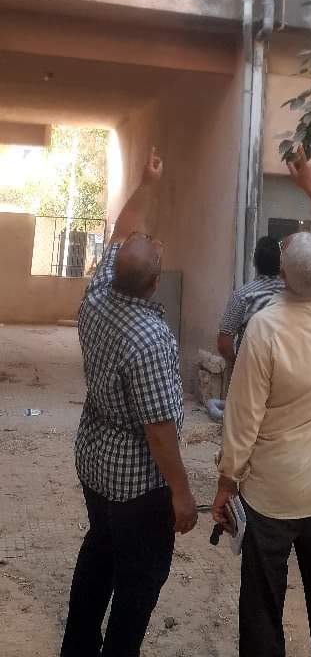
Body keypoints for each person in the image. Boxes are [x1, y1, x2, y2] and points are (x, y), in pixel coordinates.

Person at [212, 146, 311, 657]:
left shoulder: (266, 328)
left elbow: (243, 418)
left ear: (283, 277)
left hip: (273, 498)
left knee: (262, 608)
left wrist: (226, 482)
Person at [61, 148, 197, 657]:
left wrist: (146, 183)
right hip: (137, 483)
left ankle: (77, 647)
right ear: (155, 283)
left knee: (99, 551)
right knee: (139, 579)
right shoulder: (150, 339)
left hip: (95, 462)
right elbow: (158, 430)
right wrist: (181, 492)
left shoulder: (96, 295)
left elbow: (122, 229)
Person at [217, 235, 284, 365]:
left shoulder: (243, 296)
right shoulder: (291, 295)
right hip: (285, 369)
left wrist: (235, 365)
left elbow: (224, 344)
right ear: (280, 263)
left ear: (254, 261)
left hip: (251, 368)